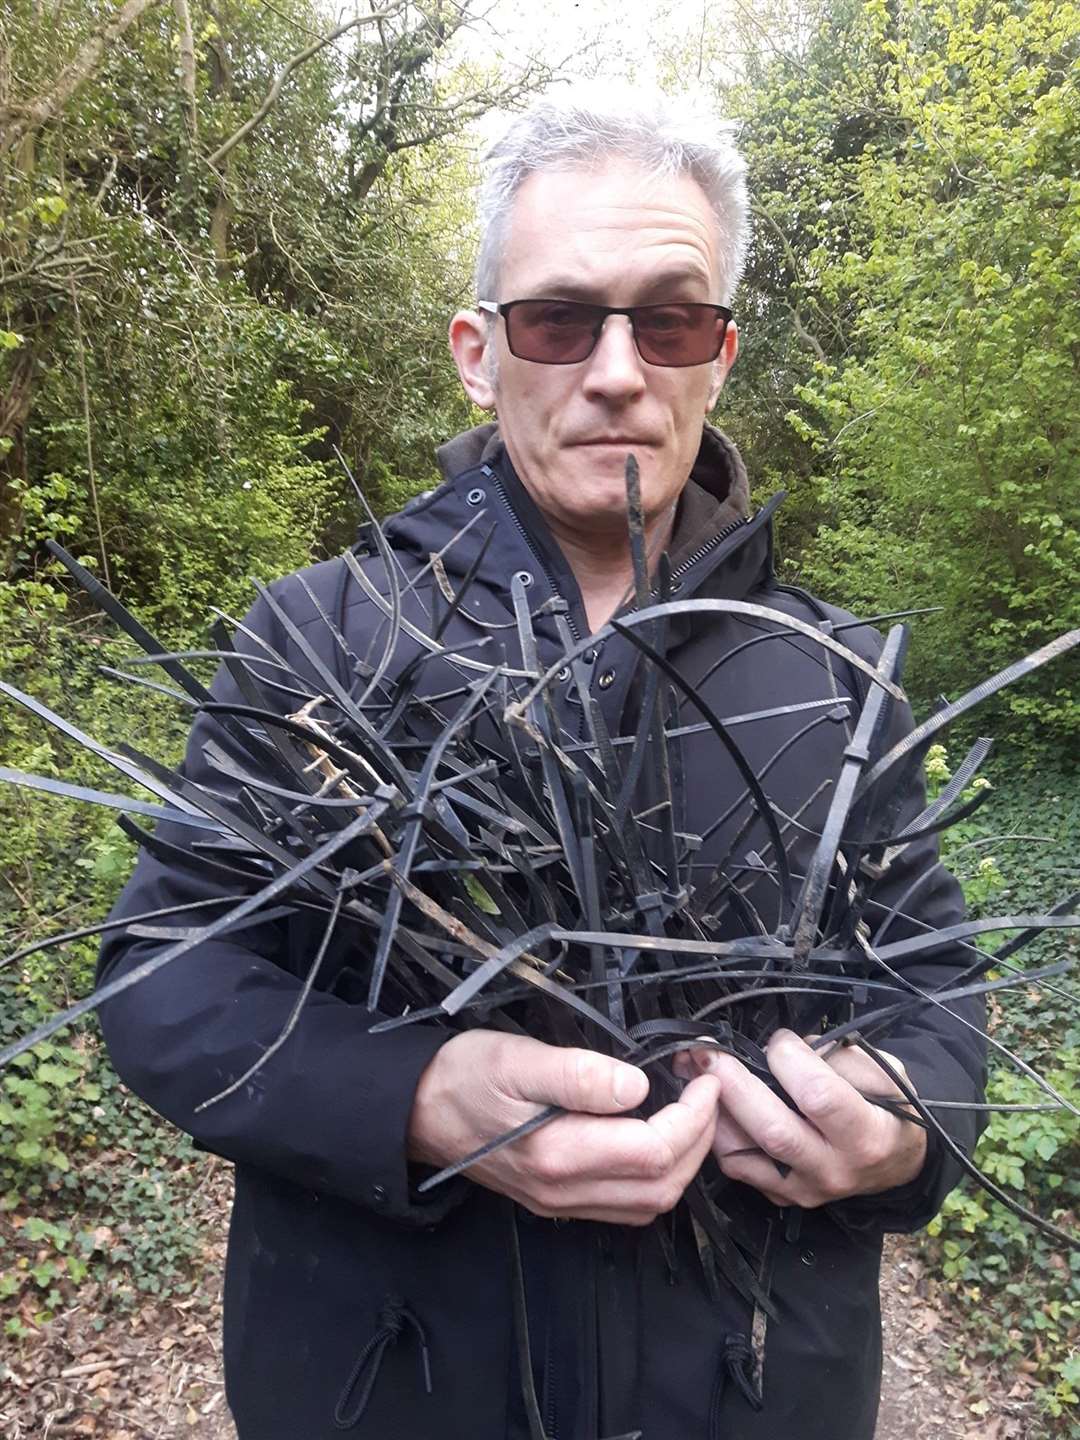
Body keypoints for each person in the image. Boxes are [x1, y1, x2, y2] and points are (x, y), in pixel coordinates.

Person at [98, 90, 985, 1439]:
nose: (617, 370)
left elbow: (937, 997)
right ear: (477, 350)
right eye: (561, 320)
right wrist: (416, 1098)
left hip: (754, 1393)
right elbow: (163, 977)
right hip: (387, 1388)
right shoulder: (321, 638)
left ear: (721, 353)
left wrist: (904, 1122)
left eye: (669, 319)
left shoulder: (840, 677)